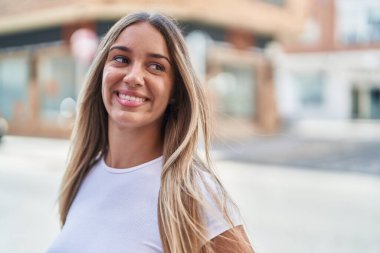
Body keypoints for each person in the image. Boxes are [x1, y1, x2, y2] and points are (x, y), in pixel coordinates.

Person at [47, 12, 253, 253]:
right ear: (101, 72)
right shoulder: (84, 173)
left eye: (156, 66)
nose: (134, 77)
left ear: (175, 91)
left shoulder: (193, 192)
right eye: (121, 59)